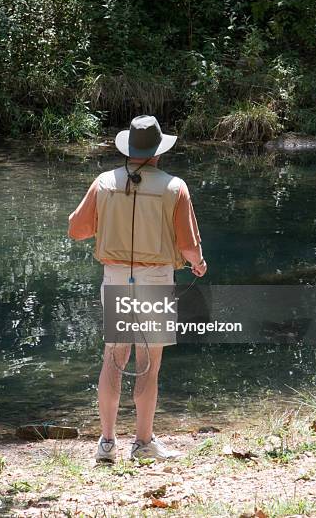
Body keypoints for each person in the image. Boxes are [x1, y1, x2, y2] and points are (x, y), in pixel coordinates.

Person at [68, 115, 207, 462]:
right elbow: (188, 247)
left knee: (114, 358)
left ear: (129, 149)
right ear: (158, 151)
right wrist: (199, 264)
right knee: (150, 362)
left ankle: (106, 444)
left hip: (115, 276)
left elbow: (76, 230)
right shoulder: (175, 187)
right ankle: (143, 444)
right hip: (157, 279)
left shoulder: (103, 182)